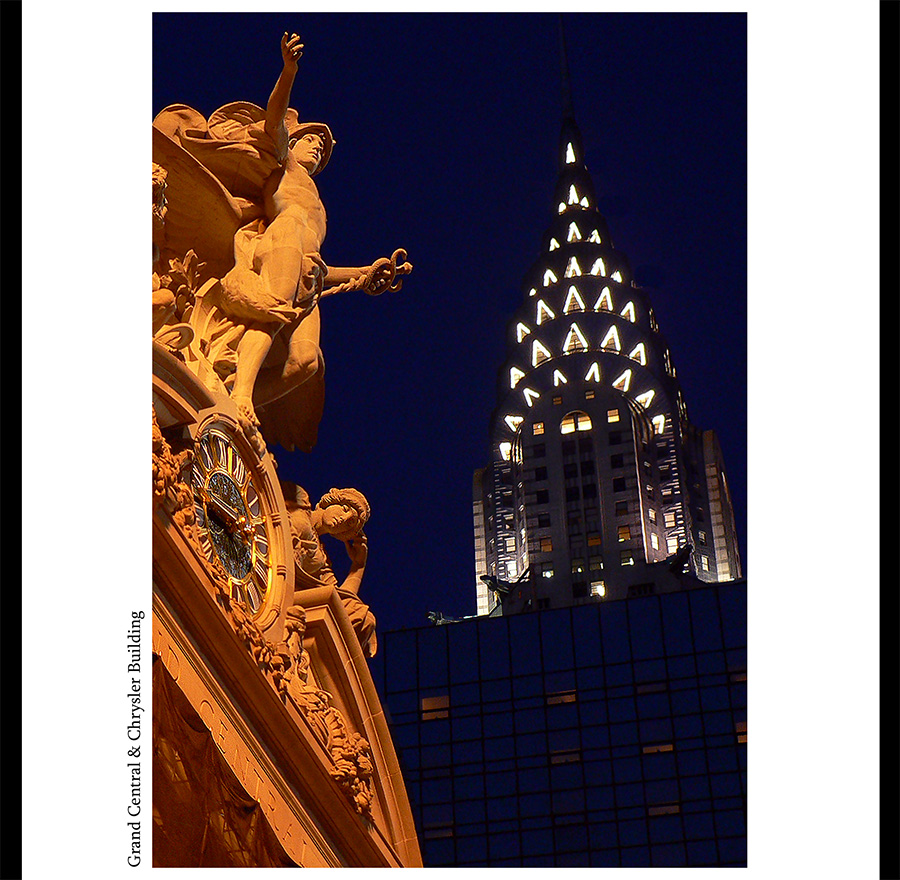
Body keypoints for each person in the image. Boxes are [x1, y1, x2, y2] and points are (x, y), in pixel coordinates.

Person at [154, 33, 411, 450]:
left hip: (308, 265)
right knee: (269, 314)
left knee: (306, 364)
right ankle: (238, 399)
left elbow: (319, 264)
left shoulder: (319, 201)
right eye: (313, 140)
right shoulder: (285, 165)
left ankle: (237, 393)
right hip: (280, 240)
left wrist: (364, 272)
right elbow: (274, 120)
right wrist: (288, 71)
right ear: (296, 142)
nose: (318, 148)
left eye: (324, 148)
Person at [283, 483, 378, 658]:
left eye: (350, 522)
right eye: (344, 509)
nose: (343, 518)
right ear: (331, 501)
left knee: (363, 617)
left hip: (290, 595)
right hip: (267, 565)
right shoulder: (299, 500)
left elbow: (338, 601)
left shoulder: (322, 560)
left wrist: (358, 566)